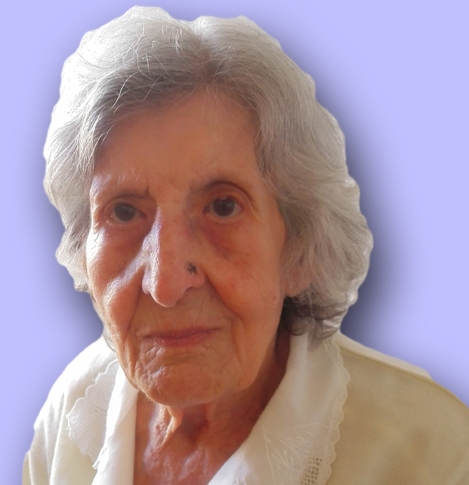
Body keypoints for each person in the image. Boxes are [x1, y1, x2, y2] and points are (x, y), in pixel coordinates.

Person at [23, 6, 469, 485]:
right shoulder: (72, 412)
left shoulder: (431, 453)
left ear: (299, 247)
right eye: (125, 213)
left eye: (222, 207)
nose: (165, 283)